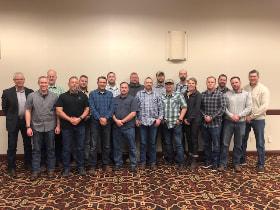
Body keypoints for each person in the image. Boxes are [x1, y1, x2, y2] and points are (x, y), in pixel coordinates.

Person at [25, 76, 60, 180]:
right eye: (41, 82)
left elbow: (57, 112)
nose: (43, 84)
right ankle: (36, 171)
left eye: (45, 82)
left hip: (50, 126)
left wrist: (58, 125)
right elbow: (28, 110)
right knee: (36, 150)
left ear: (48, 83)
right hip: (36, 127)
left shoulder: (54, 96)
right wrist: (28, 127)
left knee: (51, 149)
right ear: (38, 83)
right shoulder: (31, 96)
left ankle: (51, 170)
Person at [1, 72, 33, 177]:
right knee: (12, 145)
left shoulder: (30, 92)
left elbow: (32, 108)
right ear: (14, 80)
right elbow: (5, 109)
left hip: (26, 121)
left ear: (24, 80)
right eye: (17, 79)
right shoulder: (7, 92)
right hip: (13, 122)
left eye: (21, 79)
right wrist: (11, 117)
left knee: (28, 144)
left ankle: (28, 164)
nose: (19, 81)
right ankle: (11, 167)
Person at [56, 76, 89, 176]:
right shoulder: (62, 96)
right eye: (72, 82)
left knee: (80, 147)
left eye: (76, 82)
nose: (74, 84)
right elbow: (58, 111)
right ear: (68, 84)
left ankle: (81, 167)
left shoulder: (83, 96)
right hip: (66, 127)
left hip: (80, 126)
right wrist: (70, 119)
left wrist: (79, 119)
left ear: (78, 84)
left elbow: (87, 109)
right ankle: (66, 169)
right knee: (66, 148)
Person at [218, 77, 252, 173]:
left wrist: (239, 115)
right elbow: (224, 107)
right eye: (232, 83)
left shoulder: (246, 94)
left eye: (236, 82)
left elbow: (249, 107)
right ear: (231, 84)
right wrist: (231, 115)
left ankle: (236, 163)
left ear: (240, 82)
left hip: (241, 122)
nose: (235, 84)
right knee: (225, 144)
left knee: (238, 144)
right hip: (228, 122)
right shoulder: (226, 94)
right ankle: (222, 164)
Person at [241, 70, 270, 173]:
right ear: (248, 77)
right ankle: (242, 160)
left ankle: (261, 164)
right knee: (242, 140)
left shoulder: (263, 89)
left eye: (254, 76)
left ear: (258, 77)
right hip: (246, 118)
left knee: (260, 142)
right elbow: (243, 103)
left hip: (258, 119)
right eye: (251, 76)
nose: (252, 78)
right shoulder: (245, 88)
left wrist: (252, 116)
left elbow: (264, 106)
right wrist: (245, 115)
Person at [136, 77, 163, 170]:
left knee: (152, 143)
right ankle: (143, 162)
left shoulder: (157, 94)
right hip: (142, 122)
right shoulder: (139, 94)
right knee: (143, 143)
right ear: (144, 83)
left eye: (150, 82)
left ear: (152, 84)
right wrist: (136, 119)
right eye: (147, 82)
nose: (149, 84)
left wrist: (159, 119)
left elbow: (161, 108)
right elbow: (135, 108)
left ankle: (153, 162)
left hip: (153, 122)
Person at [201, 76, 227, 171]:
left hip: (216, 124)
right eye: (208, 82)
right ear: (206, 83)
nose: (210, 83)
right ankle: (208, 162)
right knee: (206, 144)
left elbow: (222, 108)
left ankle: (215, 164)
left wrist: (211, 117)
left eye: (212, 82)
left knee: (216, 144)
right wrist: (204, 116)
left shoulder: (220, 94)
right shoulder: (203, 94)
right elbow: (200, 108)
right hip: (205, 124)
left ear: (215, 83)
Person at [88, 76, 114, 172]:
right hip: (95, 122)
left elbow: (112, 108)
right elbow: (92, 107)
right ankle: (93, 165)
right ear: (97, 83)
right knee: (94, 144)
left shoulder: (110, 94)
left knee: (106, 144)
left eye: (104, 82)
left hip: (107, 122)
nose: (102, 84)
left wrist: (106, 118)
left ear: (106, 83)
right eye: (101, 82)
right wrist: (99, 118)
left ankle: (105, 164)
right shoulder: (92, 94)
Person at [112, 82, 138, 172]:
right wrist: (116, 120)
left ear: (128, 89)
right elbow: (111, 112)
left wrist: (122, 121)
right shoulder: (114, 99)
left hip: (129, 127)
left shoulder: (133, 99)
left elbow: (133, 113)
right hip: (116, 127)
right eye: (122, 87)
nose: (123, 89)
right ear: (120, 88)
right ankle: (118, 163)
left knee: (132, 146)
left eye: (125, 87)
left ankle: (133, 164)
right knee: (117, 146)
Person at [162, 79, 187, 169]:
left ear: (173, 86)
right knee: (168, 143)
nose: (169, 86)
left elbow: (184, 107)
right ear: (165, 86)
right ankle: (170, 160)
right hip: (165, 123)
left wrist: (180, 119)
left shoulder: (178, 95)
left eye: (170, 84)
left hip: (176, 123)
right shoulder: (162, 96)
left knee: (178, 143)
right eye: (167, 84)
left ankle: (181, 162)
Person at [47, 69, 65, 167]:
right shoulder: (43, 88)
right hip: (46, 120)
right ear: (47, 77)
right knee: (46, 143)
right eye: (49, 76)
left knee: (58, 141)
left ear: (56, 77)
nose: (51, 78)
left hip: (59, 119)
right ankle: (47, 162)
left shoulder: (61, 90)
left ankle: (58, 160)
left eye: (53, 76)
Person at [183, 77, 202, 169]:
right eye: (189, 83)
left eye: (192, 83)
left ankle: (194, 160)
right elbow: (182, 107)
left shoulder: (198, 95)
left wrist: (189, 119)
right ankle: (190, 157)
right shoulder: (185, 94)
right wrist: (184, 119)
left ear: (195, 85)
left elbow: (197, 109)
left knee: (194, 139)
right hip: (186, 121)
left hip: (195, 121)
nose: (190, 85)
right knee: (189, 139)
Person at [153, 71, 166, 161]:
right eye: (159, 76)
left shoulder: (168, 87)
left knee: (165, 138)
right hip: (155, 117)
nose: (161, 78)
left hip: (166, 117)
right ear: (156, 77)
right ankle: (153, 158)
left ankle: (166, 156)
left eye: (162, 76)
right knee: (154, 138)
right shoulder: (153, 89)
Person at [78, 75, 90, 166]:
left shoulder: (89, 93)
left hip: (87, 121)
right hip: (77, 121)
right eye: (82, 81)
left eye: (85, 81)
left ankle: (86, 159)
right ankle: (77, 160)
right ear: (79, 81)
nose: (84, 82)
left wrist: (89, 115)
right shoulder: (74, 92)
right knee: (76, 142)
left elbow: (91, 107)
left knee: (87, 141)